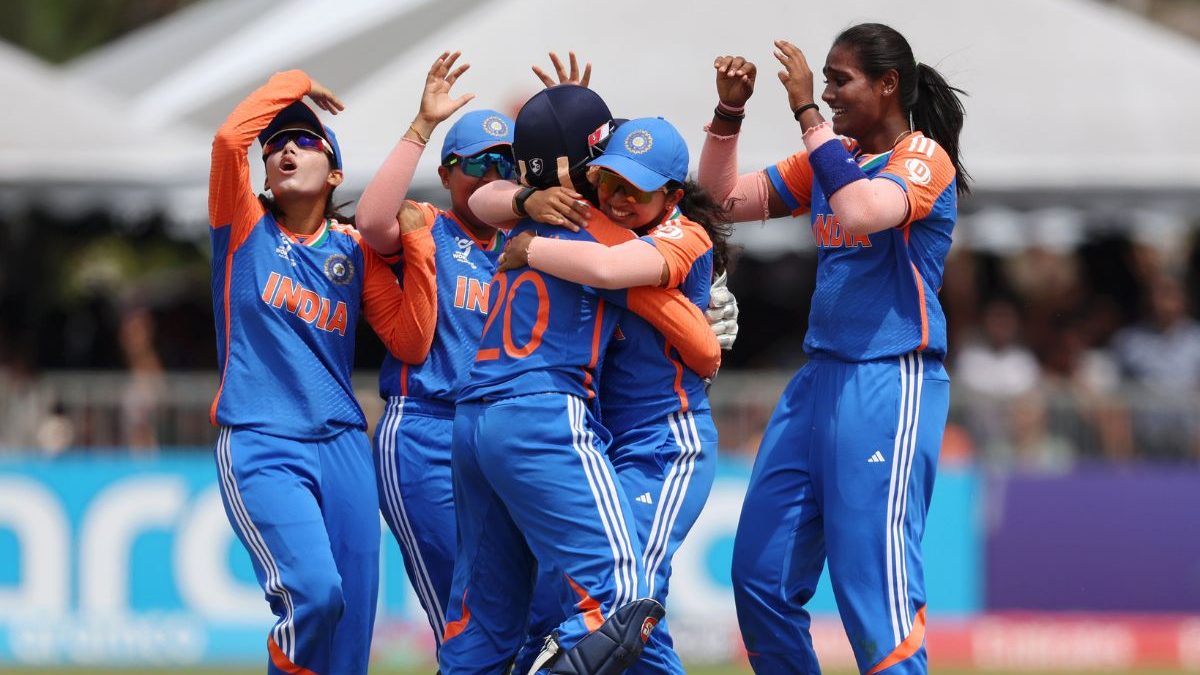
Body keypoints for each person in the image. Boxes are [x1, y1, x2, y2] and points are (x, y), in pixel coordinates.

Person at [698, 24, 968, 674]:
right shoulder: (832, 155)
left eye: (838, 80)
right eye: (822, 82)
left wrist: (804, 114)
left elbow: (858, 211)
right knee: (759, 577)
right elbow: (718, 202)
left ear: (887, 84)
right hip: (818, 380)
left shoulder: (923, 156)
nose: (826, 93)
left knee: (871, 586)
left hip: (890, 379)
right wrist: (729, 113)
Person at [438, 84, 722, 675]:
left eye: (634, 187)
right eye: (610, 178)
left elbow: (490, 201)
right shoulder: (594, 222)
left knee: (511, 617)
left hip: (639, 439)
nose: (617, 196)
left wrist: (527, 232)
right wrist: (530, 209)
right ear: (591, 167)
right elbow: (700, 346)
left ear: (671, 193)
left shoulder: (655, 228)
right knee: (620, 603)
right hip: (555, 415)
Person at [208, 69, 437, 675]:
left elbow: (411, 342)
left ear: (335, 173)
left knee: (354, 622)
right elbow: (231, 140)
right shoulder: (242, 227)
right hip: (261, 438)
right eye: (277, 143)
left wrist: (416, 252)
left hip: (342, 445)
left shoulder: (352, 249)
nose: (286, 147)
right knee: (314, 594)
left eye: (306, 141)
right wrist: (296, 84)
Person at [354, 51, 515, 650]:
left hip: (498, 436)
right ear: (447, 174)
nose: (492, 172)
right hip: (424, 430)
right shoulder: (428, 224)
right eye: (475, 161)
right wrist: (421, 126)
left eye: (505, 162)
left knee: (511, 608)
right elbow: (371, 222)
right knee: (461, 613)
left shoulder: (528, 247)